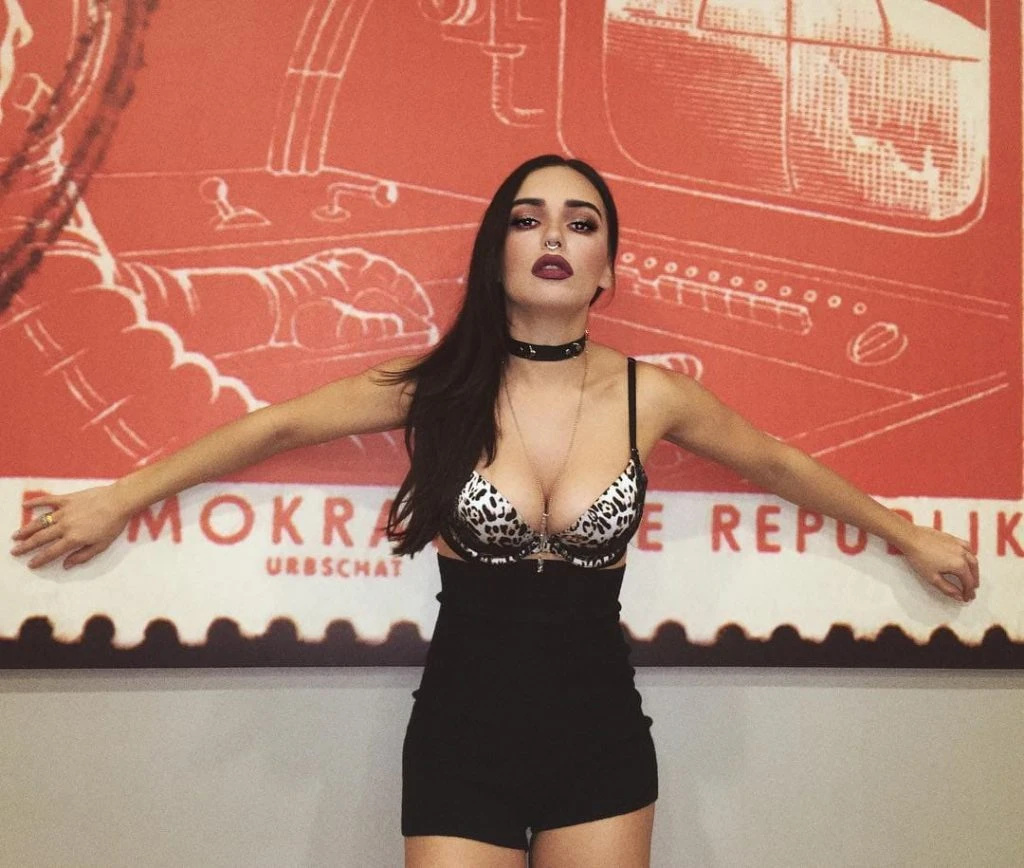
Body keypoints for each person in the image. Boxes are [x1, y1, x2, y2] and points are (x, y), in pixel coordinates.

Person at [9, 154, 980, 868]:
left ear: (607, 269)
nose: (554, 236)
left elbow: (776, 461)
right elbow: (276, 426)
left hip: (602, 736)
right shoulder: (436, 388)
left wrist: (907, 535)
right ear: (495, 255)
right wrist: (119, 500)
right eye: (528, 219)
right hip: (460, 739)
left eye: (580, 223)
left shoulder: (652, 396)